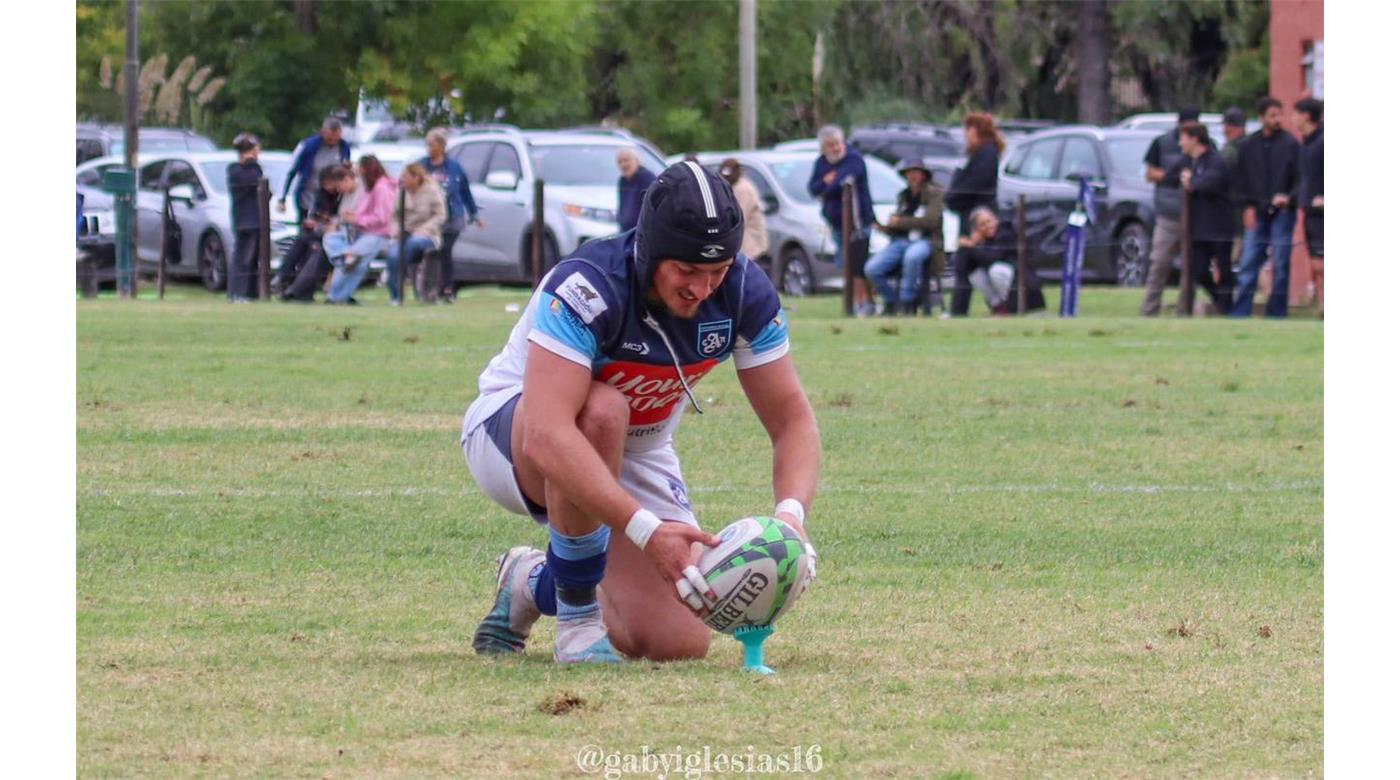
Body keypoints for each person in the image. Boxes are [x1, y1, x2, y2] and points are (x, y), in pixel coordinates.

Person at [462, 161, 820, 664]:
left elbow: (792, 421)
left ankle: (531, 581)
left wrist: (791, 517)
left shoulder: (744, 290)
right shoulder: (588, 285)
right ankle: (577, 619)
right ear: (651, 251)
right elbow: (546, 434)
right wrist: (648, 531)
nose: (703, 288)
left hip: (639, 448)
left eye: (717, 270)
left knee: (675, 641)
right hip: (515, 434)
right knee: (604, 409)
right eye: (687, 270)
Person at [1231, 97, 1301, 318]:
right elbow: (1239, 180)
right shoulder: (1247, 146)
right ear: (1261, 118)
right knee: (1249, 262)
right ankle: (1241, 311)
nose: (1277, 119)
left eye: (1279, 115)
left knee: (1281, 262)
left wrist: (1289, 199)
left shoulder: (1291, 144)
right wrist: (1247, 206)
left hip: (1283, 212)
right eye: (1272, 115)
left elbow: (1300, 178)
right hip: (1256, 211)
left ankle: (1277, 312)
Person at [808, 125, 876, 315]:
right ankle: (859, 303)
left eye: (838, 143)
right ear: (823, 148)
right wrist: (824, 182)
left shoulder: (854, 159)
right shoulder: (821, 162)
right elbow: (813, 188)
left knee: (857, 264)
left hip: (858, 223)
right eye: (831, 145)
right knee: (846, 264)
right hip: (837, 225)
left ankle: (863, 303)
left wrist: (827, 185)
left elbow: (841, 184)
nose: (836, 148)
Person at [1139, 107, 1199, 316]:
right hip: (1168, 212)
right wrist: (1171, 176)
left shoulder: (1205, 144)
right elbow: (1150, 173)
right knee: (1159, 263)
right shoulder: (1161, 143)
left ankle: (1184, 310)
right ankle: (1149, 309)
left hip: (1193, 215)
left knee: (1190, 267)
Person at [865, 158, 943, 316]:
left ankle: (908, 301)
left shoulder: (934, 193)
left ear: (923, 174)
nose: (912, 176)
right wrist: (886, 228)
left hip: (926, 240)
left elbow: (931, 221)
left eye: (915, 172)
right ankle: (892, 300)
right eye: (909, 173)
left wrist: (900, 222)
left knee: (912, 257)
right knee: (872, 268)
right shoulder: (904, 195)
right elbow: (898, 223)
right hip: (902, 241)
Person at [1178, 121, 1236, 314]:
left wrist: (1191, 181)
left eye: (1183, 138)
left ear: (1195, 139)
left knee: (1224, 270)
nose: (1180, 143)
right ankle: (1220, 301)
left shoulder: (1215, 161)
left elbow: (1208, 183)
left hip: (1219, 226)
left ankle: (1228, 309)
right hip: (1199, 228)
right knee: (1199, 270)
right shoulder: (1190, 162)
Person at [324, 155, 396, 305]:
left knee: (353, 260)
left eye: (359, 169)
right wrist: (353, 216)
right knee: (332, 241)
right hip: (363, 232)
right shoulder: (370, 188)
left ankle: (336, 296)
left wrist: (357, 219)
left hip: (379, 234)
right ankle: (342, 259)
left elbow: (382, 218)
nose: (356, 172)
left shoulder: (381, 188)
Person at [422, 127, 484, 303]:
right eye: (428, 145)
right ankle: (433, 288)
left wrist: (474, 214)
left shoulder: (454, 168)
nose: (429, 148)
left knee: (445, 250)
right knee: (434, 252)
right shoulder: (422, 166)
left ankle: (447, 288)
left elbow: (465, 192)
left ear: (442, 146)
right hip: (430, 218)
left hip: (453, 218)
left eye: (432, 145)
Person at [279, 164, 355, 303]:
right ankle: (284, 279)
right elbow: (316, 215)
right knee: (303, 241)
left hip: (337, 235)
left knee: (315, 248)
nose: (331, 188)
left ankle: (293, 288)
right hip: (326, 233)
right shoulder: (323, 195)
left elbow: (338, 218)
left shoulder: (344, 195)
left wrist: (326, 222)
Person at [951, 206, 1044, 316]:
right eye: (982, 224)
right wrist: (968, 246)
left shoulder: (1006, 232)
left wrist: (972, 245)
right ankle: (999, 307)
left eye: (989, 221)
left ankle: (1011, 307)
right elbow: (961, 266)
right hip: (1007, 287)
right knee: (975, 273)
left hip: (1026, 290)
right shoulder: (983, 241)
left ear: (996, 220)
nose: (988, 226)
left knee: (996, 270)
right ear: (977, 229)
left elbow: (993, 257)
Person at [384, 163, 446, 306]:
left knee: (414, 243)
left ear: (416, 177)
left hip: (428, 235)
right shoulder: (401, 192)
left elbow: (440, 215)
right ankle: (396, 296)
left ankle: (401, 271)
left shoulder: (432, 191)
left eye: (405, 176)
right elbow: (394, 216)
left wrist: (425, 229)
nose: (402, 179)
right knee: (392, 255)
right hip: (404, 235)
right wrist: (396, 229)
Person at [278, 117, 352, 226]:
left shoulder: (344, 147)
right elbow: (291, 171)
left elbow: (345, 172)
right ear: (323, 133)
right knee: (308, 226)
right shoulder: (308, 146)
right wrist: (282, 198)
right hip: (308, 194)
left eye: (336, 139)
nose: (333, 142)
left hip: (332, 197)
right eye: (330, 139)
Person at [945, 112, 1004, 237]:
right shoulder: (974, 153)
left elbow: (976, 182)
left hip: (979, 212)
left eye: (969, 129)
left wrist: (955, 197)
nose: (965, 134)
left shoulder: (987, 153)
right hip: (967, 210)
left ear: (978, 130)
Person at [1295, 97, 1324, 317]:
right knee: (1316, 263)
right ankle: (1323, 307)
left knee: (1322, 263)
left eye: (1295, 114)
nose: (1292, 119)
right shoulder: (1306, 142)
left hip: (1323, 212)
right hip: (1310, 210)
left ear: (1305, 116)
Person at [225, 133, 263, 303]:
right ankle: (237, 293)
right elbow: (252, 180)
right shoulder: (237, 170)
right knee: (242, 259)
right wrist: (251, 162)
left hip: (252, 219)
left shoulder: (250, 168)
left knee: (251, 258)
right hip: (246, 220)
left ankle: (250, 292)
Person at [616, 148, 656, 233]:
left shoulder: (647, 178)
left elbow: (651, 210)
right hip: (626, 232)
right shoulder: (623, 181)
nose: (623, 164)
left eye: (626, 160)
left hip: (642, 232)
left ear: (637, 161)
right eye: (620, 162)